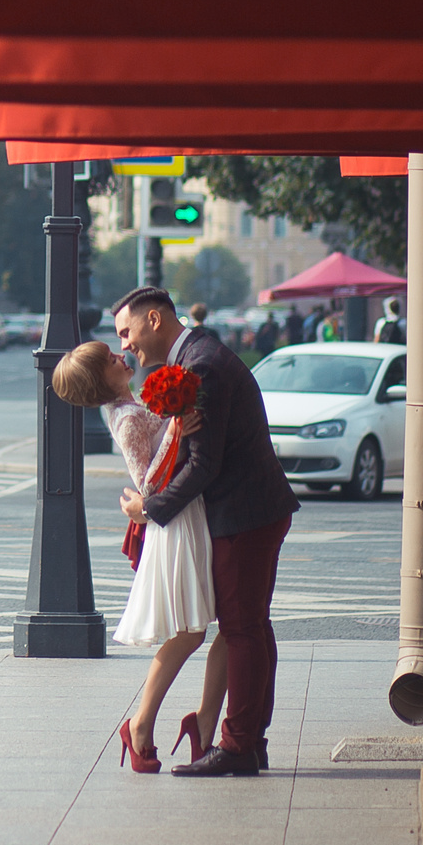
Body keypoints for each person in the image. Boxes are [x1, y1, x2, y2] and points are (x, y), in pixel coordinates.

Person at [113, 285, 300, 776]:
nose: (126, 345)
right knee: (251, 626)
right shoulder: (200, 355)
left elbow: (206, 465)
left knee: (242, 630)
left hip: (244, 514)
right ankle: (249, 738)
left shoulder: (202, 365)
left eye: (127, 332)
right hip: (251, 510)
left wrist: (150, 510)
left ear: (155, 319)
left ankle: (238, 746)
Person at [53, 338, 221, 774]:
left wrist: (174, 421)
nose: (119, 356)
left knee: (207, 626)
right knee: (192, 629)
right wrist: (178, 427)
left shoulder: (134, 405)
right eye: (109, 360)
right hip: (176, 521)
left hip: (186, 514)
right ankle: (144, 725)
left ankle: (180, 724)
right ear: (98, 380)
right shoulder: (126, 419)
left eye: (114, 351)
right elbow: (147, 483)